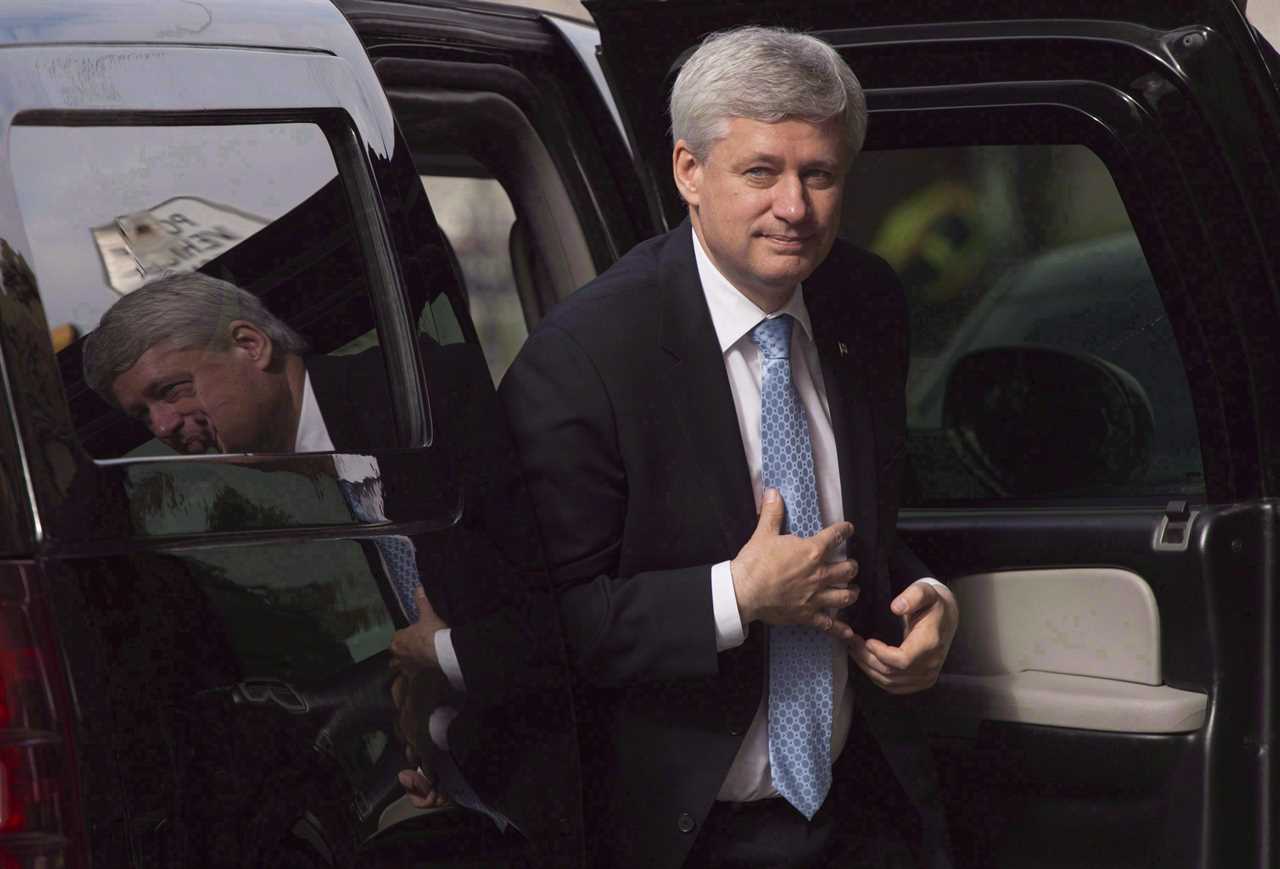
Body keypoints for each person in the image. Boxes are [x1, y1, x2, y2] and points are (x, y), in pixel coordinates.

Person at [498, 26, 959, 869]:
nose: (795, 206)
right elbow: (530, 629)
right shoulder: (586, 355)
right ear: (688, 172)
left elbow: (870, 521)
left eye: (819, 174)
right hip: (684, 833)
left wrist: (926, 599)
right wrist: (733, 596)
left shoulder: (864, 300)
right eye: (761, 172)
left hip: (859, 810)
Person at [81, 273, 580, 860]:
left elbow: (558, 617)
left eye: (170, 390)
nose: (162, 428)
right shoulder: (342, 454)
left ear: (251, 345)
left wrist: (437, 666)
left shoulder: (418, 403)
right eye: (144, 416)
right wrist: (448, 757)